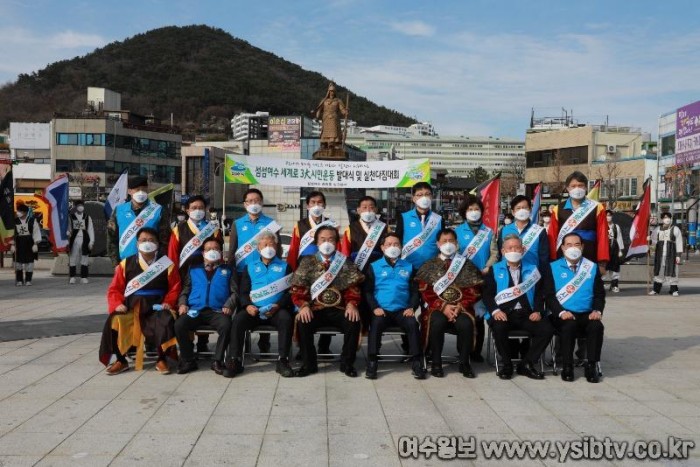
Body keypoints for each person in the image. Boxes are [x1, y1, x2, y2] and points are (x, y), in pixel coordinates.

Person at [99, 227, 181, 375]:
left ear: (157, 243)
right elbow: (115, 288)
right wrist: (117, 304)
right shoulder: (126, 264)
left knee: (166, 319)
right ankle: (121, 360)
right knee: (114, 321)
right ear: (137, 244)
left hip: (157, 307)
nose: (147, 243)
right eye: (143, 240)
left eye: (151, 240)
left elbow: (175, 287)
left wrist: (168, 302)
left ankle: (162, 359)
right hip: (132, 307)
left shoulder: (167, 264)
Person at [291, 225, 364, 377]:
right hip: (315, 309)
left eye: (331, 239)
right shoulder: (307, 262)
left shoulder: (345, 262)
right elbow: (298, 288)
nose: (327, 242)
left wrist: (352, 304)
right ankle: (308, 364)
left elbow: (353, 288)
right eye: (323, 239)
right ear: (317, 243)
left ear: (337, 242)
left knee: (353, 322)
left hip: (339, 309)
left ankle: (347, 364)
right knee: (303, 322)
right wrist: (303, 306)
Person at [483, 234, 553, 380]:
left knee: (546, 329)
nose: (513, 250)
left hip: (527, 314)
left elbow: (540, 293)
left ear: (522, 250)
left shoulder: (533, 269)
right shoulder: (494, 270)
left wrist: (538, 311)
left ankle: (526, 364)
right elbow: (487, 295)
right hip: (503, 313)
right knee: (499, 327)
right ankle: (507, 365)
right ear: (503, 251)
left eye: (516, 247)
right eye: (509, 248)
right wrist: (495, 311)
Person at [225, 232, 295, 378]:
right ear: (258, 248)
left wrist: (278, 305)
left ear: (277, 246)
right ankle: (235, 360)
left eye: (271, 244)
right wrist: (247, 306)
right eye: (265, 245)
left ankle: (283, 360)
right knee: (238, 320)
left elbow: (290, 293)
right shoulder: (249, 267)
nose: (268, 247)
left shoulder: (285, 266)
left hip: (276, 310)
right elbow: (243, 292)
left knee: (286, 319)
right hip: (254, 310)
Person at [415, 228, 482, 378]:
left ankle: (464, 362)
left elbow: (474, 290)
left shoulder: (466, 264)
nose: (448, 244)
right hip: (436, 308)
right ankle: (436, 363)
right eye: (444, 241)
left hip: (461, 308)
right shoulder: (429, 265)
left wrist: (459, 306)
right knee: (437, 322)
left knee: (466, 324)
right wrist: (443, 306)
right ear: (438, 244)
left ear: (457, 243)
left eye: (451, 241)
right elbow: (425, 292)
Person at [362, 233, 426, 380]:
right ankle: (372, 361)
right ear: (382, 247)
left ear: (401, 247)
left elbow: (415, 292)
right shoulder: (374, 267)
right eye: (389, 244)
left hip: (402, 311)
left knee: (412, 324)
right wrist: (374, 308)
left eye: (396, 244)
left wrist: (412, 307)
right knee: (376, 325)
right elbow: (368, 291)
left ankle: (416, 361)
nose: (393, 247)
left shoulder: (409, 267)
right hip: (381, 310)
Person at [544, 232, 605, 383]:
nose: (573, 248)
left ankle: (591, 366)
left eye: (577, 245)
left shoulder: (591, 267)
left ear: (582, 247)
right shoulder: (553, 267)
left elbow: (599, 294)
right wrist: (561, 312)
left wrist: (597, 311)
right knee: (568, 326)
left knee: (596, 327)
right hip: (563, 314)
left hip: (587, 313)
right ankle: (567, 366)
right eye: (569, 245)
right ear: (563, 248)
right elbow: (549, 296)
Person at [168, 195, 222, 353]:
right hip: (186, 274)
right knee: (187, 308)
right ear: (187, 210)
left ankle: (203, 342)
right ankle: (188, 345)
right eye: (194, 208)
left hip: (208, 274)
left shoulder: (213, 228)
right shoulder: (179, 229)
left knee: (205, 305)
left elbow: (219, 253)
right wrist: (174, 276)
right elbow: (173, 255)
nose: (197, 211)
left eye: (200, 208)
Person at [175, 237, 236, 375]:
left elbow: (234, 293)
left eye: (215, 249)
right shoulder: (193, 269)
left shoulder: (228, 270)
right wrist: (182, 304)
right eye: (209, 249)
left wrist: (229, 305)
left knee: (226, 326)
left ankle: (217, 361)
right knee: (179, 325)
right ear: (203, 253)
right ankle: (188, 360)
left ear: (220, 252)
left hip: (217, 311)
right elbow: (185, 290)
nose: (212, 251)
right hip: (195, 310)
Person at [287, 190, 336, 356]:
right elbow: (293, 250)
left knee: (328, 303)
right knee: (304, 308)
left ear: (324, 205)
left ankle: (324, 345)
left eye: (320, 202)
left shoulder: (331, 224)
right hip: (305, 273)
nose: (316, 206)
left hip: (327, 271)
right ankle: (303, 347)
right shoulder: (299, 225)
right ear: (307, 205)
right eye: (313, 202)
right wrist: (293, 273)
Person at [454, 195, 498, 363]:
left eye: (476, 209)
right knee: (464, 314)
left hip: (483, 278)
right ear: (464, 212)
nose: (474, 212)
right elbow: (455, 254)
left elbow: (495, 252)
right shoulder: (457, 232)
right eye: (470, 209)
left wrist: (488, 266)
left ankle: (476, 351)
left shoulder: (488, 232)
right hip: (463, 280)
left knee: (479, 315)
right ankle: (462, 350)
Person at [548, 171, 609, 271]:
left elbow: (603, 236)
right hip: (564, 254)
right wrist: (553, 259)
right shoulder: (558, 209)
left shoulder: (597, 207)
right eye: (573, 186)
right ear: (567, 188)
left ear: (585, 188)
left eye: (580, 185)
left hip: (589, 252)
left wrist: (602, 262)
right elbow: (552, 236)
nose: (577, 188)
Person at [107, 176, 170, 266]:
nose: (141, 192)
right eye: (137, 189)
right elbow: (111, 238)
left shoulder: (158, 210)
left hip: (152, 263)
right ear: (129, 191)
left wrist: (160, 261)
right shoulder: (119, 211)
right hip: (125, 263)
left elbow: (165, 239)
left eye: (144, 189)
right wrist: (116, 263)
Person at [395, 182, 443, 271]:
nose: (424, 198)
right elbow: (398, 241)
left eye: (427, 194)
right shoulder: (404, 217)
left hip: (432, 269)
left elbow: (442, 243)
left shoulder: (438, 219)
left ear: (432, 197)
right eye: (419, 195)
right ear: (413, 198)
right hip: (407, 268)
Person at [499, 195, 550, 270]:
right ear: (513, 212)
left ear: (530, 210)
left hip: (532, 276)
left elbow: (544, 258)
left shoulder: (539, 231)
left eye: (525, 208)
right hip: (507, 274)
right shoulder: (504, 230)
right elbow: (500, 254)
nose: (522, 210)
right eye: (518, 208)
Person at [650, 212, 684, 296]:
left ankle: (674, 290)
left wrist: (678, 255)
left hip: (672, 254)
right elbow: (653, 241)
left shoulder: (675, 229)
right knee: (659, 271)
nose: (667, 219)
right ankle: (656, 289)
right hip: (660, 254)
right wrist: (649, 239)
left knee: (673, 270)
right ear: (662, 219)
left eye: (668, 217)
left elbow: (679, 242)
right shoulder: (657, 229)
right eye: (665, 217)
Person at [11, 203, 42, 286]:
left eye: (20, 211)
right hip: (19, 242)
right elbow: (12, 234)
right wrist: (12, 244)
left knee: (29, 262)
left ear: (25, 212)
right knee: (18, 262)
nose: (18, 213)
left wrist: (35, 243)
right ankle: (19, 280)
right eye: (18, 211)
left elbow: (36, 232)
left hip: (29, 242)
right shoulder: (15, 221)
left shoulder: (32, 220)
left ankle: (28, 280)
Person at [67, 200, 95, 284]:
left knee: (84, 258)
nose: (80, 207)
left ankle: (84, 277)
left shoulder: (87, 217)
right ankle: (72, 277)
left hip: (84, 239)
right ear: (75, 207)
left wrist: (91, 242)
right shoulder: (71, 217)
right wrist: (68, 232)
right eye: (78, 205)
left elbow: (90, 229)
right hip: (74, 240)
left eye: (81, 205)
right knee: (73, 257)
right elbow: (68, 228)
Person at [314, 81, 348, 150]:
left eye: (333, 91)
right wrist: (317, 117)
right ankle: (324, 143)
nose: (332, 93)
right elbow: (319, 109)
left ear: (335, 92)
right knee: (325, 131)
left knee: (334, 131)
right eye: (330, 91)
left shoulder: (338, 101)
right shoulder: (324, 101)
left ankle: (333, 143)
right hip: (326, 117)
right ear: (328, 92)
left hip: (334, 118)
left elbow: (342, 109)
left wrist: (345, 112)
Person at [605, 210, 625, 293]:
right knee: (604, 267)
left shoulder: (616, 227)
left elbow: (619, 237)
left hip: (614, 248)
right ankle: (600, 285)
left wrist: (620, 250)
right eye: (606, 215)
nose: (608, 217)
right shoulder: (601, 226)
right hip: (605, 248)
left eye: (609, 215)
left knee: (615, 267)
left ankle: (614, 285)